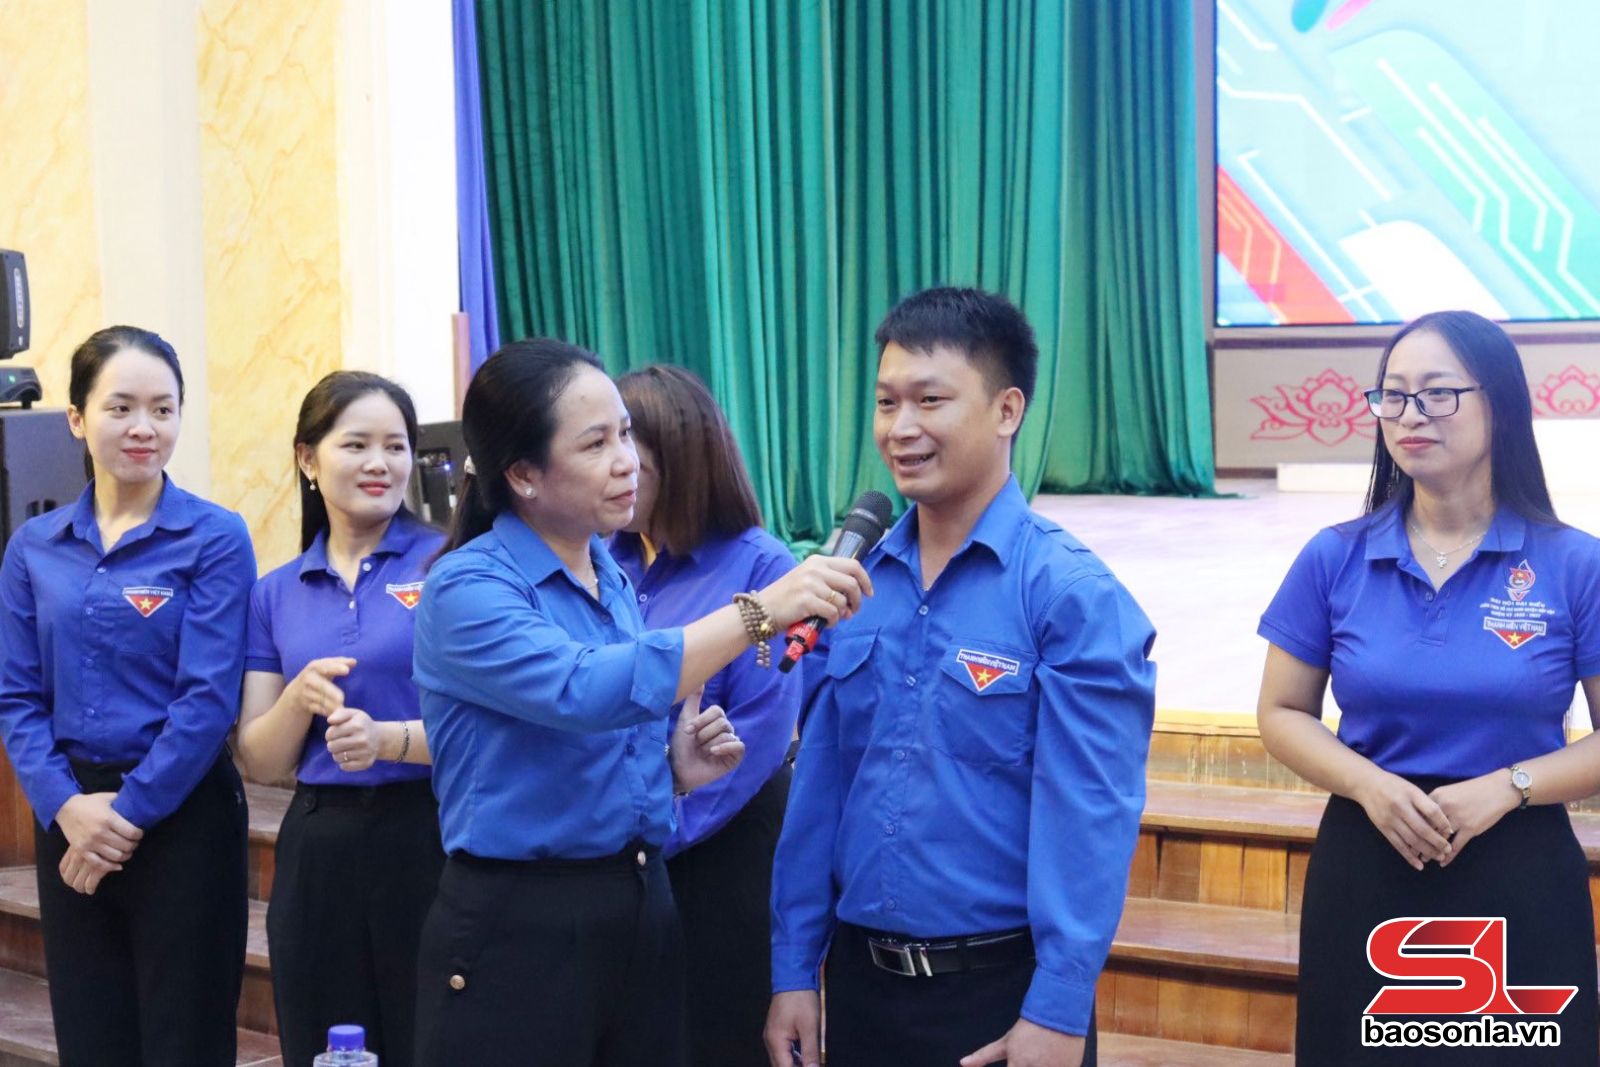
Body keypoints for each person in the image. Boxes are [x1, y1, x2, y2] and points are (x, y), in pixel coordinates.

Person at [410, 338, 870, 1067]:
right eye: (596, 443)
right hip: (522, 922)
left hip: (637, 899)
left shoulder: (610, 574)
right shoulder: (468, 587)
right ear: (523, 474)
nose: (627, 460)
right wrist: (759, 611)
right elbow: (585, 688)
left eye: (625, 434)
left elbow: (595, 739)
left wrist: (670, 772)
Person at [765, 287, 1156, 1067]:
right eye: (886, 402)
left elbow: (1090, 814)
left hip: (1000, 999)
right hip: (861, 992)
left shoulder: (1070, 594)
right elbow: (820, 791)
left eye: (930, 400)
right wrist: (793, 969)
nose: (900, 427)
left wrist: (1057, 1007)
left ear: (1007, 410)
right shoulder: (853, 582)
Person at [1256, 310, 1600, 1065]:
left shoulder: (1575, 564)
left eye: (1438, 392)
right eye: (1394, 394)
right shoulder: (1334, 556)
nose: (1410, 414)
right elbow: (1281, 711)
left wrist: (1508, 787)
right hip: (1369, 858)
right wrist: (1369, 785)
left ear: (1498, 405)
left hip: (1520, 867)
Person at [0, 326, 256, 1065]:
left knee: (185, 1041)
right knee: (92, 1037)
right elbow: (16, 697)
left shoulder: (215, 536)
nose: (144, 427)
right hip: (70, 815)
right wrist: (65, 806)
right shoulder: (34, 546)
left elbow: (207, 700)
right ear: (77, 417)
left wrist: (126, 814)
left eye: (162, 409)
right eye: (121, 408)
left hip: (183, 814)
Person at [236, 371, 443, 1067]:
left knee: (432, 1041)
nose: (379, 463)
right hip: (319, 847)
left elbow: (492, 728)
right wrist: (298, 698)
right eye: (356, 444)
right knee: (325, 1042)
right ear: (308, 458)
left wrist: (388, 740)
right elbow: (260, 760)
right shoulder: (275, 591)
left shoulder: (451, 564)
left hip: (433, 833)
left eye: (395, 445)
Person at [611, 365, 802, 1067]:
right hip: (619, 855)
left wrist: (646, 834)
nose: (610, 468)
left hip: (716, 854)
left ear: (680, 458)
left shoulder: (761, 568)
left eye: (624, 448)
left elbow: (755, 740)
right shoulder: (604, 559)